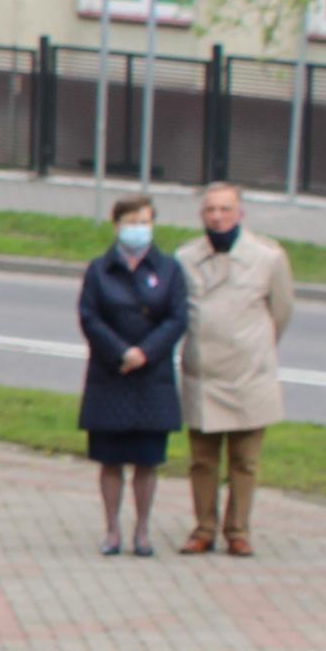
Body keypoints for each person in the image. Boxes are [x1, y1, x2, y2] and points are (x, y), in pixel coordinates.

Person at [178, 184, 292, 557]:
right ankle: (203, 528)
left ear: (240, 213)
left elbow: (281, 313)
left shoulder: (268, 257)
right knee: (202, 460)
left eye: (226, 209)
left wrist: (252, 348)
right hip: (203, 374)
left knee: (245, 460)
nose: (217, 216)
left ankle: (238, 530)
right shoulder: (185, 258)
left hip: (248, 375)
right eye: (210, 209)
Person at [78, 198, 189, 558]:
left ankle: (142, 532)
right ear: (116, 225)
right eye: (130, 221)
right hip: (111, 376)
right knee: (110, 459)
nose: (138, 228)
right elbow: (89, 317)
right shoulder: (99, 270)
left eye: (144, 221)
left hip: (150, 378)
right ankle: (112, 530)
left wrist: (145, 352)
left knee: (147, 460)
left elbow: (177, 318)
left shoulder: (170, 269)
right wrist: (120, 352)